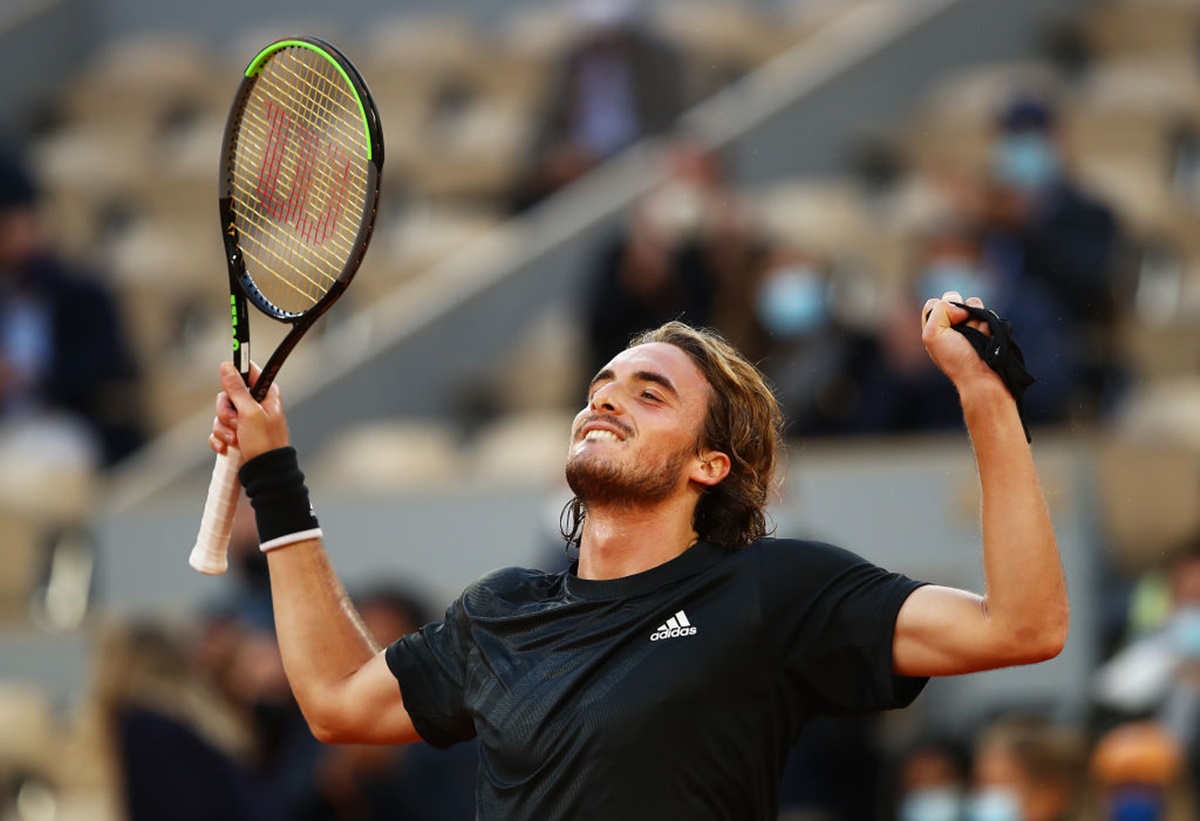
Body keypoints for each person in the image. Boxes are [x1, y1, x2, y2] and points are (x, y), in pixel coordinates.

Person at [206, 293, 1068, 819]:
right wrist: (274, 471)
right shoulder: (500, 612)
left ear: (710, 464)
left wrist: (985, 398)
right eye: (600, 389)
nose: (606, 402)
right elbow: (335, 703)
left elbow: (1022, 625)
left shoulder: (773, 589)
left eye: (648, 394)